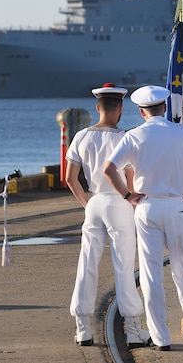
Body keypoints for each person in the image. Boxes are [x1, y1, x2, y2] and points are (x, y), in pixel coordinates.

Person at [104, 85, 183, 351]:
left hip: (147, 207)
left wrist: (127, 195)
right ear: (165, 108)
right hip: (180, 206)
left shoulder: (134, 136)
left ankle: (161, 339)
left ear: (140, 110)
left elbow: (109, 168)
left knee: (150, 275)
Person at [65, 83, 150, 348]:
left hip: (95, 203)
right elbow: (130, 179)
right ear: (121, 109)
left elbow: (68, 178)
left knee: (87, 265)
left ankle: (83, 329)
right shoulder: (126, 137)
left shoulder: (81, 136)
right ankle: (134, 331)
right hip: (119, 203)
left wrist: (87, 204)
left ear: (97, 107)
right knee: (124, 268)